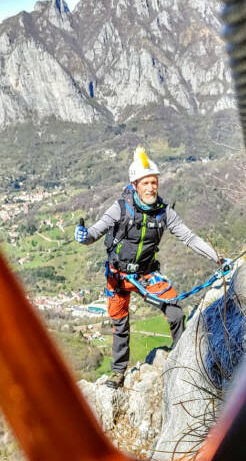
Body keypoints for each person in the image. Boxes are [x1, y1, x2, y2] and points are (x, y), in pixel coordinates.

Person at [75, 146, 223, 388]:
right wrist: (83, 236)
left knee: (175, 311)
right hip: (118, 276)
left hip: (145, 274)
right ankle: (118, 373)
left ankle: (181, 358)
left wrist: (217, 257)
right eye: (145, 183)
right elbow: (94, 233)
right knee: (120, 323)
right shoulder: (120, 209)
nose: (151, 187)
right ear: (135, 185)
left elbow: (190, 238)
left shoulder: (165, 214)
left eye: (154, 182)